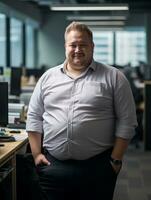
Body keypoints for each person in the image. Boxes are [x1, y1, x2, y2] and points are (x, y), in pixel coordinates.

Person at [26, 21, 137, 200]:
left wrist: (115, 160)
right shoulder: (48, 77)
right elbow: (34, 116)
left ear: (92, 46)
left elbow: (127, 121)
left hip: (97, 168)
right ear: (65, 47)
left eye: (83, 45)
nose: (78, 49)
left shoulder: (114, 77)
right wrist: (36, 154)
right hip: (53, 166)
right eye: (73, 45)